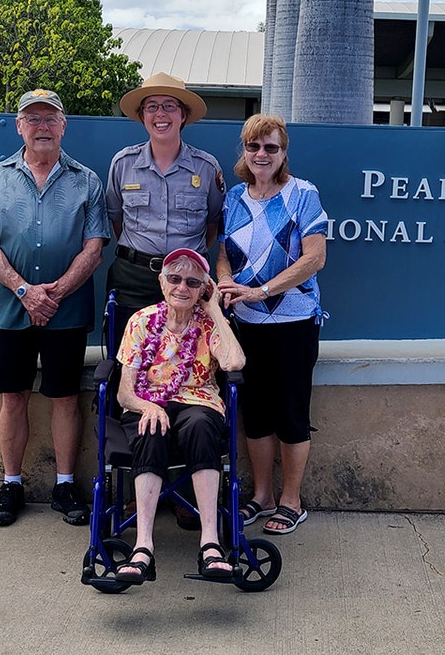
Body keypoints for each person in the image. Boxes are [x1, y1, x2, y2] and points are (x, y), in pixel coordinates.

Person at [0, 89, 110, 527]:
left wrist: (56, 294)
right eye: (34, 119)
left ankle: (65, 485)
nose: (42, 126)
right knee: (14, 396)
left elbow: (94, 247)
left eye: (51, 119)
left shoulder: (87, 180)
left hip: (67, 311)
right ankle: (11, 484)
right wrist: (25, 291)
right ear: (19, 126)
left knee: (66, 396)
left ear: (63, 126)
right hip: (9, 308)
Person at [105, 72, 226, 530]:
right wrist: (149, 267)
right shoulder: (122, 164)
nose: (160, 114)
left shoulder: (206, 166)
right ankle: (141, 489)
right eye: (151, 107)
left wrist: (184, 276)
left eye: (169, 107)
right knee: (134, 379)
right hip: (135, 277)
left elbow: (213, 225)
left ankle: (183, 494)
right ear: (141, 116)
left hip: (185, 284)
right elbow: (115, 220)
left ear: (183, 116)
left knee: (189, 377)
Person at [217, 114, 328, 536]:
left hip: (293, 321)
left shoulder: (303, 195)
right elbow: (224, 251)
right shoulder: (233, 199)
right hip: (245, 324)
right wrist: (226, 280)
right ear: (244, 150)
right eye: (254, 147)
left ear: (284, 153)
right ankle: (262, 496)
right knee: (257, 413)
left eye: (271, 148)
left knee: (291, 413)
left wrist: (263, 292)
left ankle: (291, 501)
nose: (261, 155)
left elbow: (314, 258)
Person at [113, 248, 246, 584]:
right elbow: (124, 393)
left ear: (203, 288)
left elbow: (234, 363)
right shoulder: (141, 321)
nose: (182, 287)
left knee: (202, 425)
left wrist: (215, 309)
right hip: (148, 404)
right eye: (174, 278)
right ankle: (143, 547)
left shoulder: (208, 325)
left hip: (198, 404)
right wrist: (149, 406)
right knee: (150, 429)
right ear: (162, 283)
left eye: (192, 281)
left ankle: (211, 544)